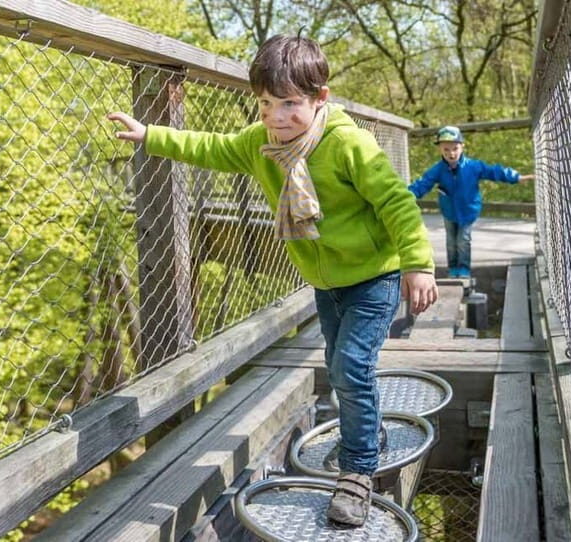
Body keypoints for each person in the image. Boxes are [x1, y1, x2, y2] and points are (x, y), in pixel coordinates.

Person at [107, 35, 438, 528]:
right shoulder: (260, 145)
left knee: (349, 367)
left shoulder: (348, 144)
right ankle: (370, 433)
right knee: (342, 365)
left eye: (289, 104)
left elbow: (396, 202)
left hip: (375, 277)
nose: (277, 117)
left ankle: (357, 472)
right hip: (325, 283)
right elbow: (210, 147)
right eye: (266, 104)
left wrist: (418, 263)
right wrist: (149, 134)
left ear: (320, 98)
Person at [408, 125, 534, 278]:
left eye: (455, 148)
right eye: (446, 149)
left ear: (462, 147)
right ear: (440, 149)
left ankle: (463, 269)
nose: (451, 153)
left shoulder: (473, 166)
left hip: (468, 210)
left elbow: (493, 171)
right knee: (451, 242)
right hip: (449, 211)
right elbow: (423, 183)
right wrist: (408, 195)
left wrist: (515, 177)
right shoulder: (438, 169)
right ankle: (452, 268)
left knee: (463, 240)